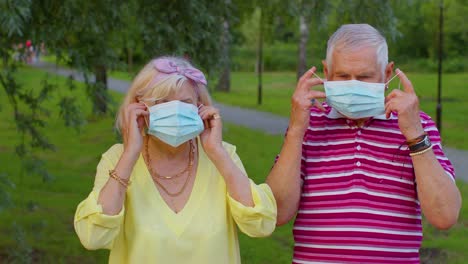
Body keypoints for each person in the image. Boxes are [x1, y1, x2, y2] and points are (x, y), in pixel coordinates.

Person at [266, 24, 461, 264]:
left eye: (365, 77)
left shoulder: (418, 126)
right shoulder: (308, 125)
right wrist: (296, 130)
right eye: (343, 76)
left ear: (387, 74)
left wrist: (413, 133)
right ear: (326, 73)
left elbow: (445, 215)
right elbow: (276, 212)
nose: (353, 85)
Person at [74, 56, 277, 263]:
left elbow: (261, 224)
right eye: (163, 102)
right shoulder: (116, 159)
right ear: (138, 107)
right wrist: (130, 154)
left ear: (201, 108)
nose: (176, 110)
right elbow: (93, 236)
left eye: (186, 102)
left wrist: (216, 152)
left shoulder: (223, 156)